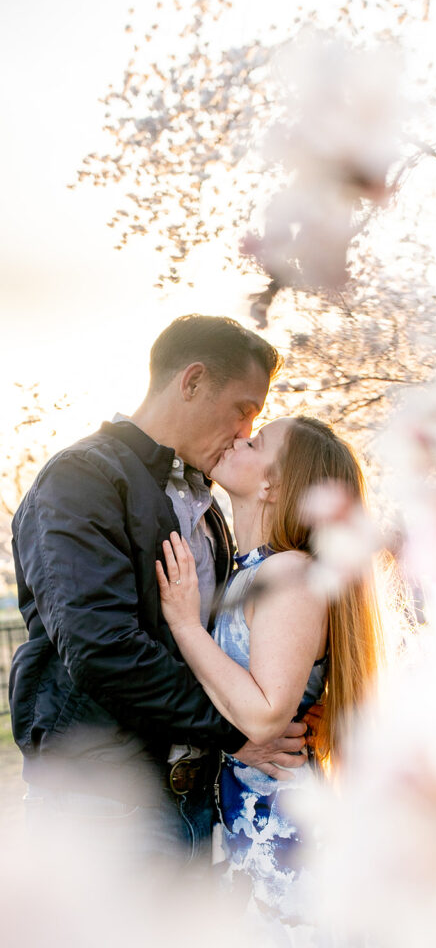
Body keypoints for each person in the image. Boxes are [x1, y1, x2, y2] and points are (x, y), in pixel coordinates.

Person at [9, 314, 309, 865]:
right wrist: (236, 732)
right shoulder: (81, 479)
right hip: (104, 804)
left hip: (193, 801)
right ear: (192, 381)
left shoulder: (209, 510)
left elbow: (228, 645)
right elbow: (101, 646)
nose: (245, 431)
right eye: (243, 410)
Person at [157, 415, 384, 923]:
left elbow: (263, 717)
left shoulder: (290, 571)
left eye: (255, 442)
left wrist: (184, 623)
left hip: (280, 827)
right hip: (246, 819)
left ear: (272, 484)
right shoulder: (250, 571)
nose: (238, 437)